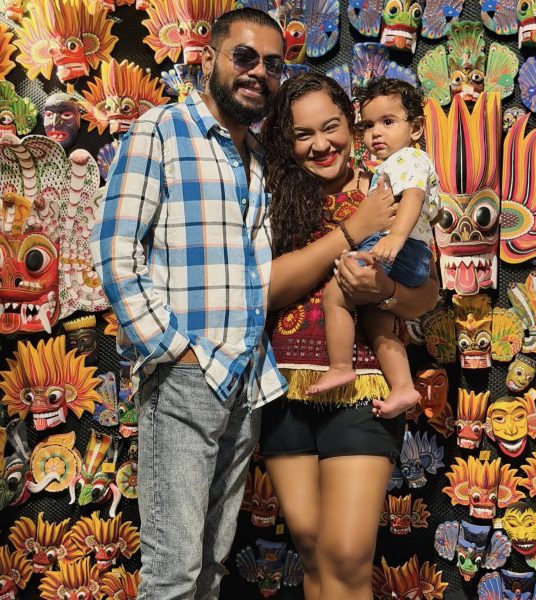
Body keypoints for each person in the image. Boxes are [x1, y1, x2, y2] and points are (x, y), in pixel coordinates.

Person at [91, 10, 396, 600]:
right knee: (174, 572)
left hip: (247, 379)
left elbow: (254, 278)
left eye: (272, 64)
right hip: (186, 375)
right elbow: (114, 250)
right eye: (245, 57)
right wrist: (172, 349)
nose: (259, 72)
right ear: (208, 58)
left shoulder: (256, 158)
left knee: (210, 565)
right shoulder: (161, 130)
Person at [261, 73, 439, 600]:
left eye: (331, 127)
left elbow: (426, 295)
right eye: (303, 134)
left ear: (352, 126)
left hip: (365, 389)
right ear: (286, 140)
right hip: (282, 388)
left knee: (345, 555)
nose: (321, 145)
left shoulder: (390, 185)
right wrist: (352, 229)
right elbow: (261, 290)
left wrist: (385, 291)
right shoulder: (268, 199)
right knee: (311, 549)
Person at [307, 78, 439, 419]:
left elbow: (414, 197)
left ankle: (340, 366)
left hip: (400, 249)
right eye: (367, 125)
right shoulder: (396, 164)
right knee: (378, 320)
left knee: (336, 294)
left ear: (416, 128)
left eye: (388, 122)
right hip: (409, 252)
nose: (375, 133)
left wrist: (395, 237)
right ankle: (403, 387)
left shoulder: (408, 159)